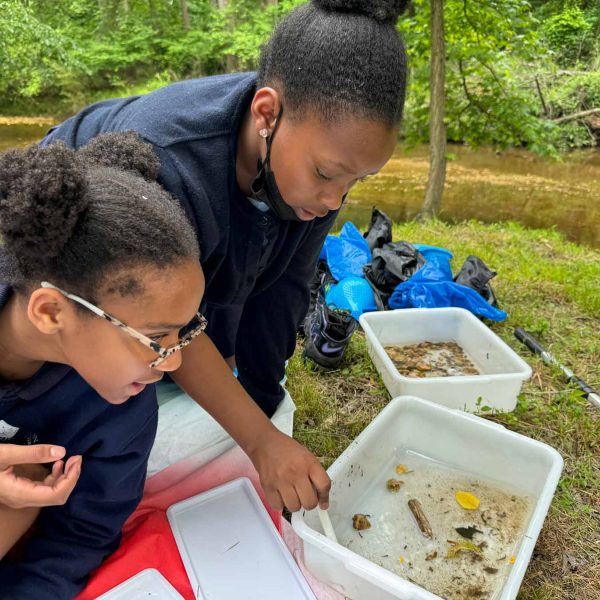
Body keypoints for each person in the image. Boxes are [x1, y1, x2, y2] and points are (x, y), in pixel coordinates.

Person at [42, 0, 409, 513]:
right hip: (78, 239)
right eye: (328, 175)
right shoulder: (166, 158)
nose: (334, 200)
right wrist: (259, 442)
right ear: (266, 113)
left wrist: (264, 407)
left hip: (192, 247)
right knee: (113, 392)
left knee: (235, 356)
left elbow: (286, 287)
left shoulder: (314, 161)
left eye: (355, 181)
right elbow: (168, 322)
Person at [0, 133, 205, 597]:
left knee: (36, 474)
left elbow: (83, 533)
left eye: (183, 332)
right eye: (154, 339)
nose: (174, 361)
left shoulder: (122, 410)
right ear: (51, 311)